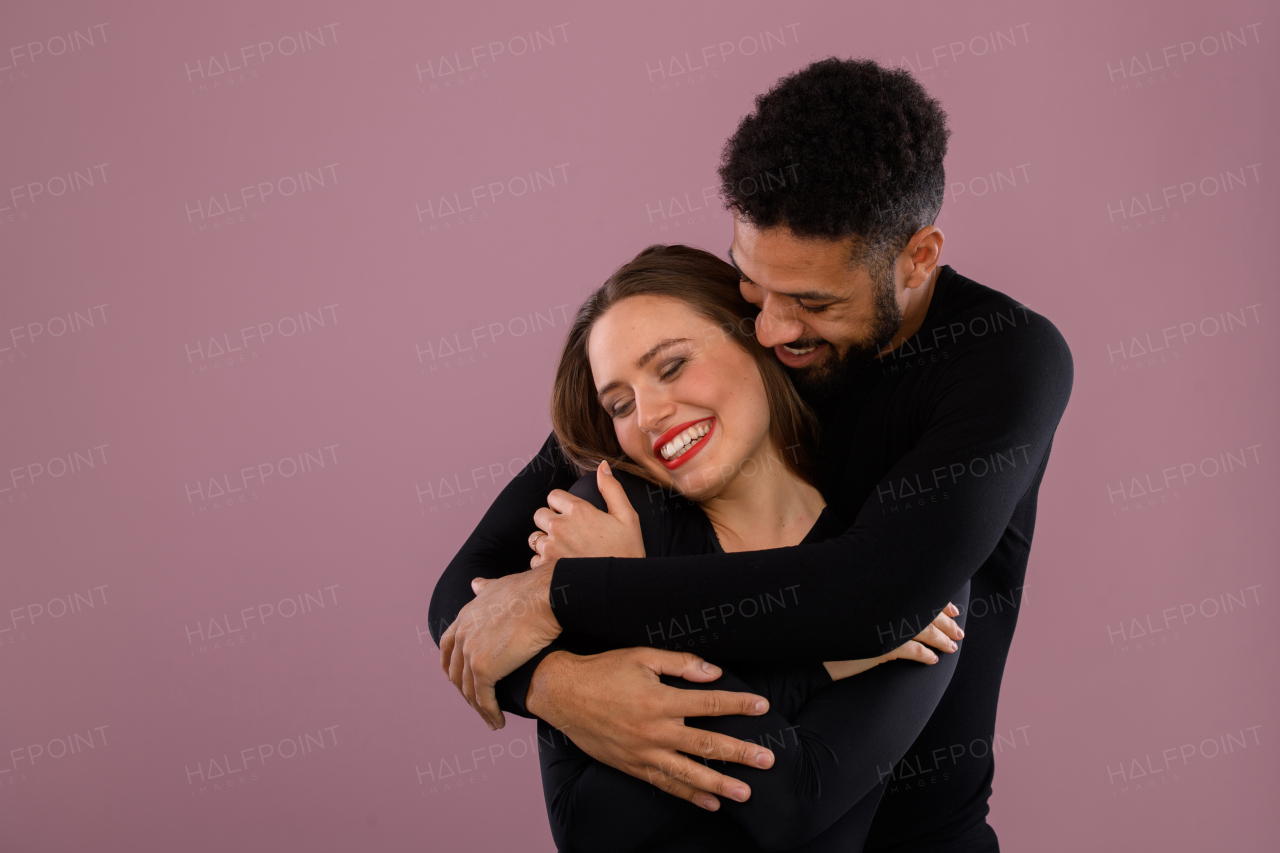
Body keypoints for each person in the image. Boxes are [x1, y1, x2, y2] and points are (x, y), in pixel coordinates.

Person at [431, 56, 1074, 851]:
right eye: (750, 283)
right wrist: (560, 685)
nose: (771, 330)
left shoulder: (1002, 359)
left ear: (918, 257)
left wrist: (565, 599)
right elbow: (469, 598)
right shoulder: (719, 351)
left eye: (812, 302)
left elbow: (877, 600)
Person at [532, 244, 968, 852]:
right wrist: (823, 666)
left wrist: (626, 610)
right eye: (621, 404)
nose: (651, 415)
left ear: (755, 339)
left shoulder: (900, 546)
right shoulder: (609, 523)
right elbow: (588, 827)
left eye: (673, 365)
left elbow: (795, 805)